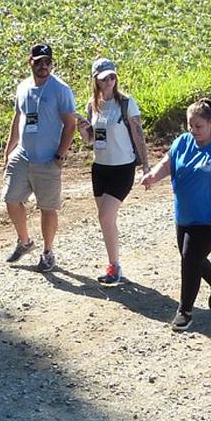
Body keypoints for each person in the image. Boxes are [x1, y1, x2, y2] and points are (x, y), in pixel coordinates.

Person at [142, 99, 211, 332]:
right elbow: (167, 164)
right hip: (185, 216)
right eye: (190, 125)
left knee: (189, 258)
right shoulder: (182, 142)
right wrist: (153, 177)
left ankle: (185, 311)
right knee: (193, 258)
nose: (193, 130)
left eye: (198, 126)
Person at [1, 42, 78, 273]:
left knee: (47, 207)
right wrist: (9, 150)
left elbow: (70, 124)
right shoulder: (23, 87)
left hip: (47, 158)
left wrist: (60, 154)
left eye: (48, 62)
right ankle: (24, 242)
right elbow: (18, 119)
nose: (44, 66)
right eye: (39, 62)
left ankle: (48, 252)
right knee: (10, 199)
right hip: (23, 154)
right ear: (30, 62)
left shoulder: (60, 90)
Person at [77, 57, 148, 286]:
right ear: (95, 81)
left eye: (111, 77)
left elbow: (138, 134)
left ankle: (114, 266)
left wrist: (146, 165)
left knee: (105, 216)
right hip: (100, 168)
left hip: (122, 168)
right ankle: (113, 262)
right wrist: (83, 130)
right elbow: (90, 141)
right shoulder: (92, 105)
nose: (108, 81)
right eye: (103, 78)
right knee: (107, 220)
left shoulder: (127, 103)